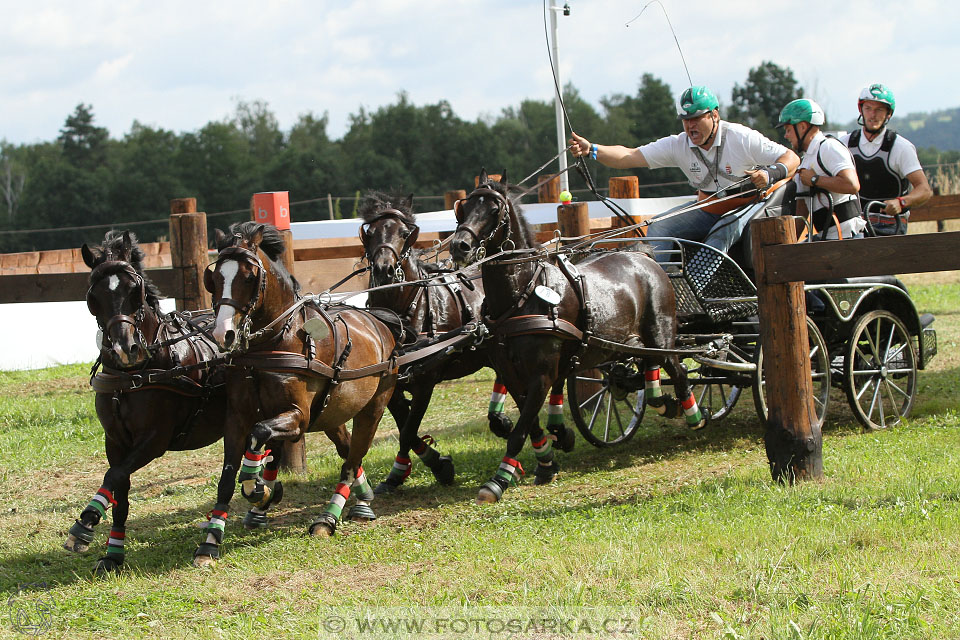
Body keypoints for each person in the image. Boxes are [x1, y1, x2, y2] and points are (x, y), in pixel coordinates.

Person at [568, 85, 800, 264]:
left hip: (750, 207)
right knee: (659, 228)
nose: (690, 126)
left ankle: (697, 298)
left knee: (719, 236)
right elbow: (629, 156)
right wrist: (592, 150)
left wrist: (770, 174)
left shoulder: (741, 137)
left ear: (714, 116)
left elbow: (791, 158)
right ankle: (659, 289)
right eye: (686, 120)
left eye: (697, 118)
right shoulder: (677, 145)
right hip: (710, 208)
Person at [839, 84, 933, 235]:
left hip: (890, 226)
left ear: (888, 114)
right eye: (868, 108)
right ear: (861, 110)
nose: (873, 114)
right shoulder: (843, 144)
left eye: (879, 110)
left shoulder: (901, 147)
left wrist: (901, 202)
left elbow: (925, 190)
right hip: (853, 225)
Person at [777, 98, 863, 240]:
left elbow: (852, 185)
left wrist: (815, 179)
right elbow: (802, 210)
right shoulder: (805, 162)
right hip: (826, 238)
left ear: (802, 127)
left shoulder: (828, 147)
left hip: (848, 237)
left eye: (788, 130)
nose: (786, 136)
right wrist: (789, 246)